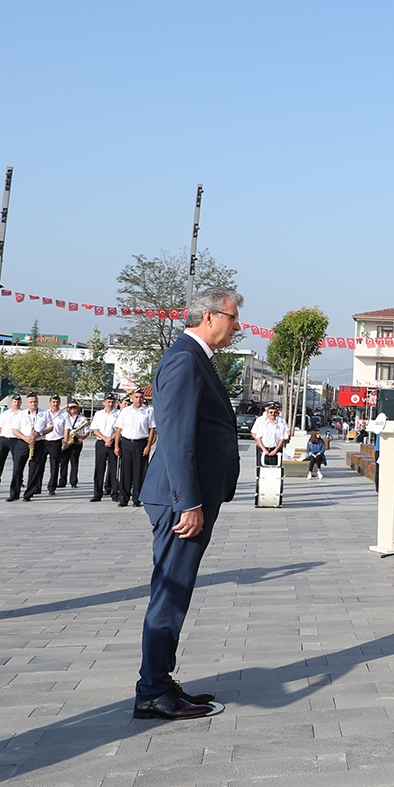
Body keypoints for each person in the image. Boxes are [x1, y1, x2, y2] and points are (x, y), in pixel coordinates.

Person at [134, 286, 243, 720]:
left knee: (174, 593)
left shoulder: (197, 357)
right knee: (170, 593)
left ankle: (159, 680)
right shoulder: (184, 358)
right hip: (181, 501)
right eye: (233, 318)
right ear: (210, 317)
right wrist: (188, 503)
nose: (237, 327)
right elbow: (177, 438)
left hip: (191, 496)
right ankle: (152, 691)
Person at [112, 390, 155, 507]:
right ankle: (123, 498)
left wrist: (148, 446)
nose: (138, 399)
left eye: (141, 397)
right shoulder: (125, 411)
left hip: (140, 443)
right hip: (126, 442)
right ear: (132, 398)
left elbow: (152, 429)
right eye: (136, 397)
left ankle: (137, 498)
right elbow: (119, 430)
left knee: (139, 471)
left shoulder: (148, 412)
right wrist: (116, 446)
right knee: (125, 471)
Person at [20, 394, 54, 500]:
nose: (33, 403)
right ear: (27, 403)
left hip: (39, 442)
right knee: (18, 467)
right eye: (31, 402)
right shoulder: (22, 414)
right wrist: (25, 438)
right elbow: (15, 429)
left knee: (35, 468)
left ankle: (28, 494)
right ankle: (15, 491)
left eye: (35, 401)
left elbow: (50, 427)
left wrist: (39, 433)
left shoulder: (45, 413)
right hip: (23, 441)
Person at [91, 395, 120, 502]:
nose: (110, 404)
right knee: (99, 469)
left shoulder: (119, 413)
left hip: (114, 443)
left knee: (114, 469)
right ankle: (97, 494)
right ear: (104, 403)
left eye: (112, 402)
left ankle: (115, 493)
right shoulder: (99, 414)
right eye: (108, 402)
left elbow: (119, 429)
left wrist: (111, 439)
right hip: (101, 443)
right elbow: (95, 429)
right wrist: (105, 439)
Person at [55, 401, 87, 490]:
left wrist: (81, 438)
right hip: (65, 441)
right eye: (71, 407)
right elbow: (57, 409)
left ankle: (73, 481)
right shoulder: (64, 415)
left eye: (75, 407)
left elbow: (87, 431)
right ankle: (62, 481)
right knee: (63, 462)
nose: (73, 409)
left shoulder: (82, 418)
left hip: (76, 442)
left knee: (74, 462)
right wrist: (67, 405)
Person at [0, 395, 23, 492]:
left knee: (18, 461)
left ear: (21, 403)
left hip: (16, 439)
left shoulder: (24, 413)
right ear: (11, 403)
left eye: (18, 402)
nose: (16, 403)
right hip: (4, 438)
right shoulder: (5, 413)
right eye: (15, 402)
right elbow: (0, 427)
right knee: (0, 460)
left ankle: (19, 480)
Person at [42, 396, 69, 494]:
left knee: (54, 465)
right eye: (53, 402)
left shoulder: (64, 414)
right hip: (44, 440)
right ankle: (37, 487)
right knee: (40, 464)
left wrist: (65, 441)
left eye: (57, 402)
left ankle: (52, 487)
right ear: (50, 403)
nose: (55, 404)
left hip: (56, 441)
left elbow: (67, 428)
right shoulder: (45, 413)